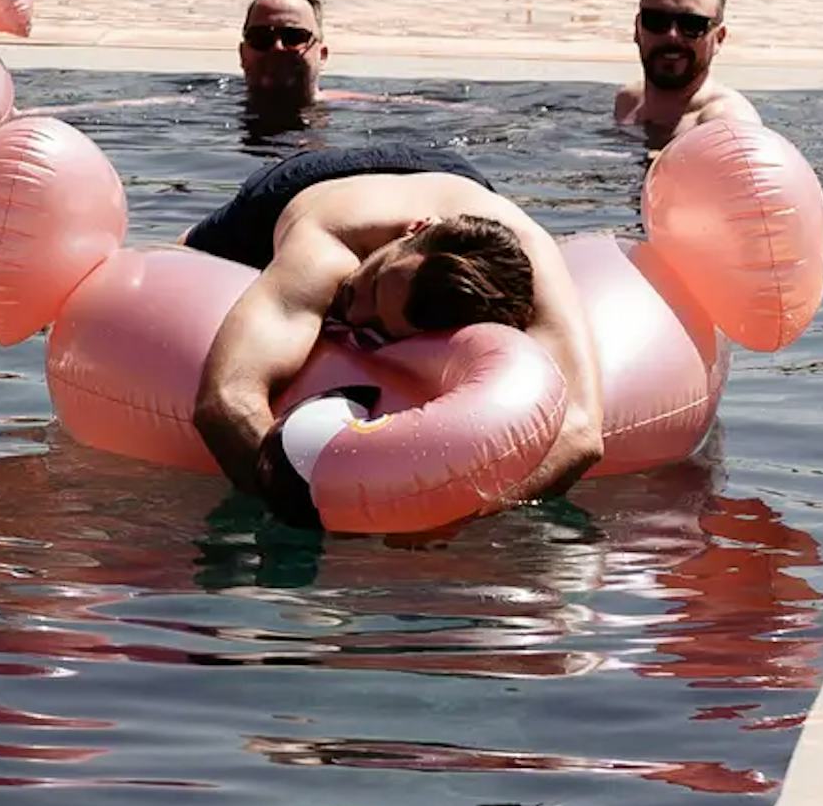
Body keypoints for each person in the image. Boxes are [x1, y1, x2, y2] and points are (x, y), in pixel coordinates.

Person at [185, 144, 605, 524]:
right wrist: (301, 511)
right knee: (184, 255)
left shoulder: (531, 254)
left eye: (379, 326)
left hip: (462, 180)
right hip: (307, 182)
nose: (355, 310)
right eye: (370, 283)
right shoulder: (329, 250)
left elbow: (581, 434)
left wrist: (457, 514)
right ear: (414, 230)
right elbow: (225, 400)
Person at [616, 0, 759, 144]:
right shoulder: (626, 103)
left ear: (719, 39)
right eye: (656, 20)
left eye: (691, 25)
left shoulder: (726, 125)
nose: (672, 35)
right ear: (637, 29)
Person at [236, 0, 328, 136]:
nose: (277, 48)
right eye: (261, 37)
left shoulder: (366, 108)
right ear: (243, 54)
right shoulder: (200, 106)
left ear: (322, 55)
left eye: (293, 37)